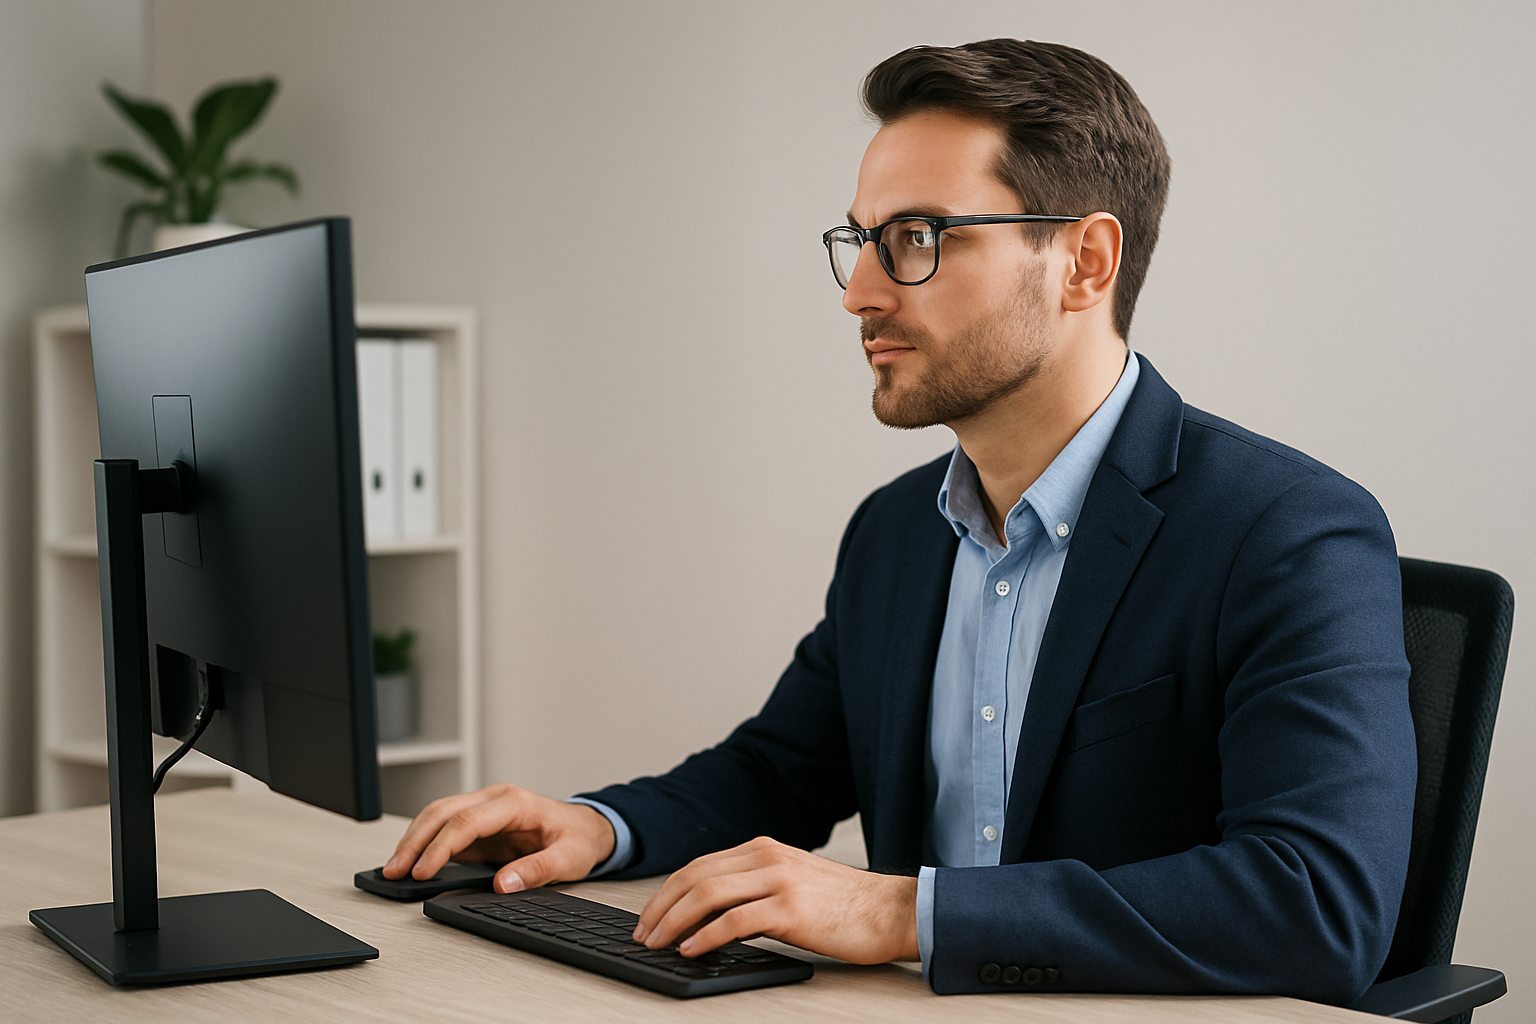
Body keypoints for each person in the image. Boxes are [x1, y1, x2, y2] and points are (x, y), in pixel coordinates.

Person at [384, 38, 1416, 1001]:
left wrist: (900, 910)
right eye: (862, 241)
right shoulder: (895, 531)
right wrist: (593, 826)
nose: (861, 293)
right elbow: (778, 771)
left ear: (1085, 262)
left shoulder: (1287, 532)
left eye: (917, 238)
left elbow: (1319, 900)